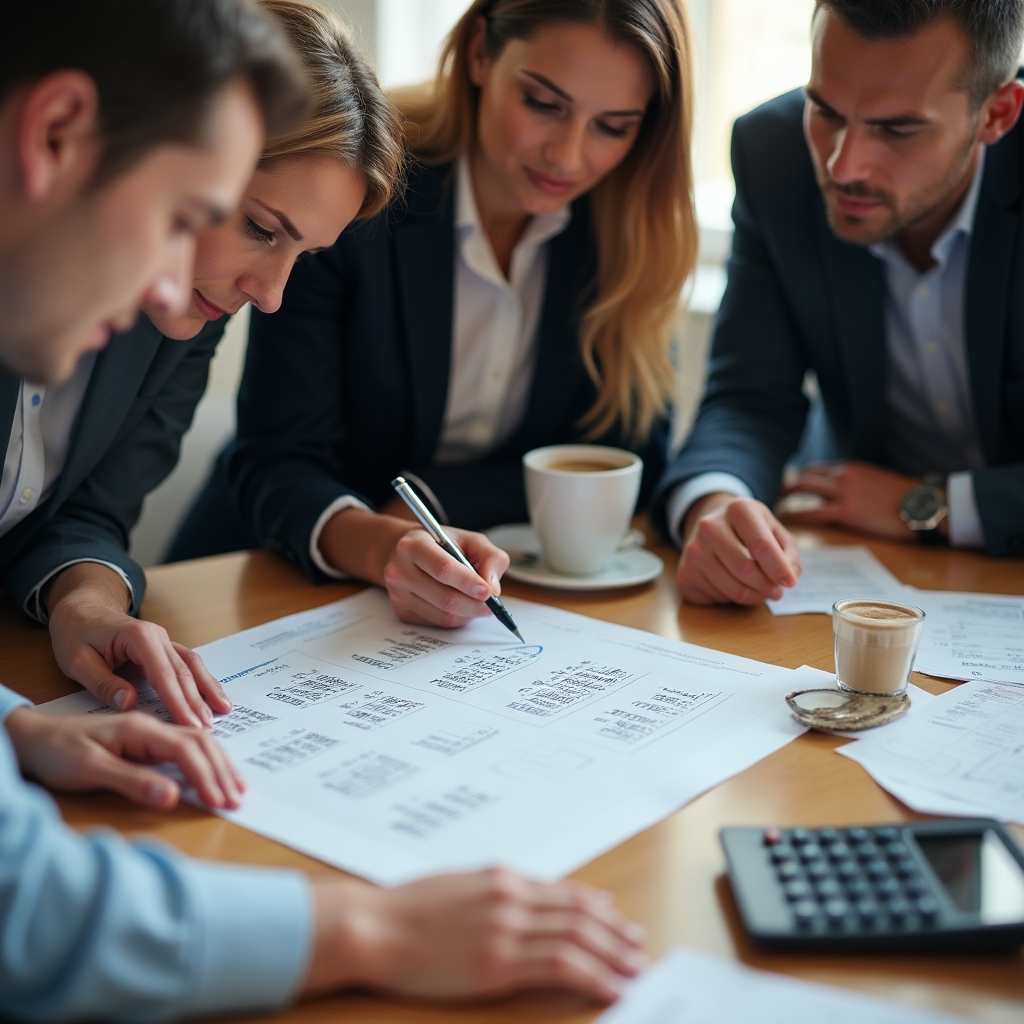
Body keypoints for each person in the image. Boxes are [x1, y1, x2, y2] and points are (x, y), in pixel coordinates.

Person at [0, 3, 644, 1019]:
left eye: (615, 122)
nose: (264, 295)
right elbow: (27, 914)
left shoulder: (617, 237)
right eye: (227, 220)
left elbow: (79, 515)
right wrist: (373, 928)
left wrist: (34, 694)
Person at [170, 0, 700, 632]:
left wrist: (429, 498)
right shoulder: (355, 188)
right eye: (543, 103)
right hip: (261, 585)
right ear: (479, 52)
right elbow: (276, 457)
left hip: (479, 598)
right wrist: (377, 540)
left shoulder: (632, 236)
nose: (567, 155)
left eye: (613, 126)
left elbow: (627, 455)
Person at [657, 0, 1024, 607]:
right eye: (825, 110)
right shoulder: (771, 154)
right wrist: (714, 505)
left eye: (897, 129)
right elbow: (749, 398)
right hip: (857, 568)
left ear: (998, 113)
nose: (842, 165)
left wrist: (927, 505)